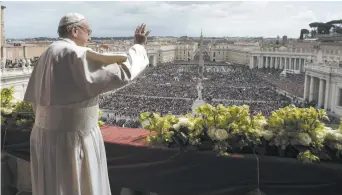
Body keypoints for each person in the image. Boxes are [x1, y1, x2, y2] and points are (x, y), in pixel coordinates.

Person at [24, 13, 151, 195]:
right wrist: (138, 46)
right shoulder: (74, 54)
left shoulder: (47, 53)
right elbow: (121, 72)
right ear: (75, 30)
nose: (90, 37)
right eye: (88, 31)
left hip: (44, 136)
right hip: (73, 139)